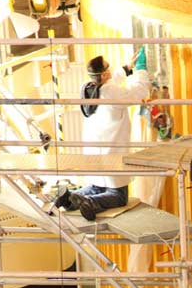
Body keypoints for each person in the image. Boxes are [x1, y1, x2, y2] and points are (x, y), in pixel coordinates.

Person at [53, 48, 149, 221]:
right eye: (108, 69)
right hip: (110, 154)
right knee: (118, 196)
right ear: (104, 75)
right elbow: (138, 93)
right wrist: (141, 70)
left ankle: (68, 198)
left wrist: (127, 68)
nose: (111, 71)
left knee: (97, 186)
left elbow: (110, 81)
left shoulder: (87, 87)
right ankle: (88, 202)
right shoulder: (112, 93)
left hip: (94, 154)